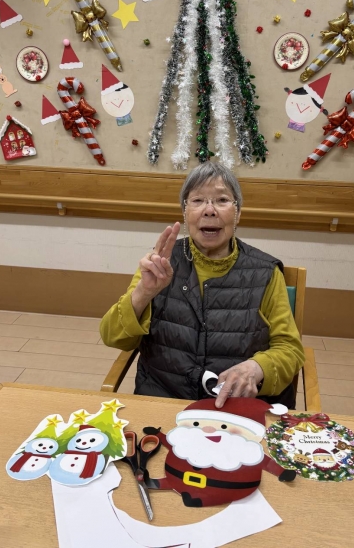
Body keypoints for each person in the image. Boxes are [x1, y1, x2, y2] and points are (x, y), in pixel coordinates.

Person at [100, 162, 305, 409]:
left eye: (222, 200)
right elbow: (112, 337)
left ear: (238, 213)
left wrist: (257, 367)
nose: (209, 210)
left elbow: (290, 349)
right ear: (185, 212)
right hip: (164, 403)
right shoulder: (160, 262)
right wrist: (144, 292)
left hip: (237, 409)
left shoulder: (265, 272)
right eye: (197, 200)